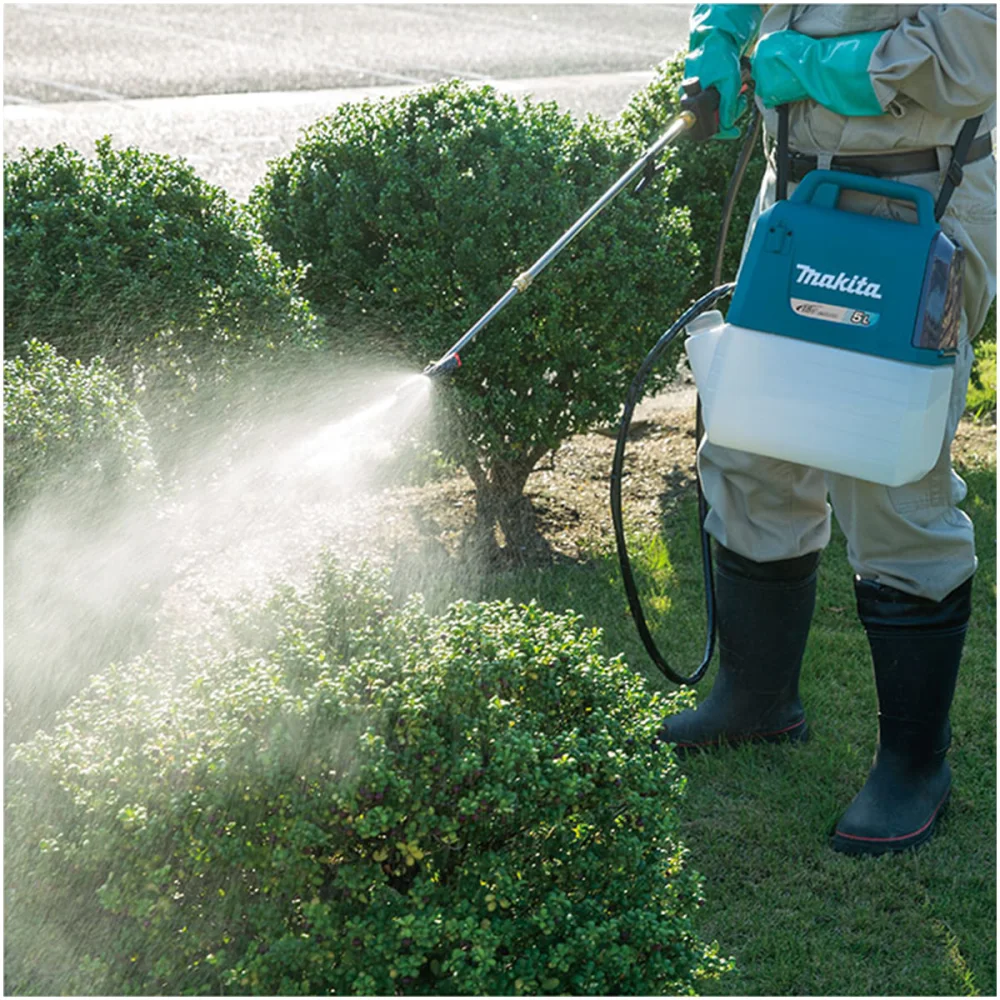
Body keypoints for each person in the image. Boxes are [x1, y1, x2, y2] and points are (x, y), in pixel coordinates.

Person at [658, 4, 996, 855]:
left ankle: (915, 766)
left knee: (889, 473)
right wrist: (722, 31)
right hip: (798, 196)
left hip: (919, 202)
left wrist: (802, 66)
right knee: (753, 449)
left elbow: (971, 54)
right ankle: (757, 698)